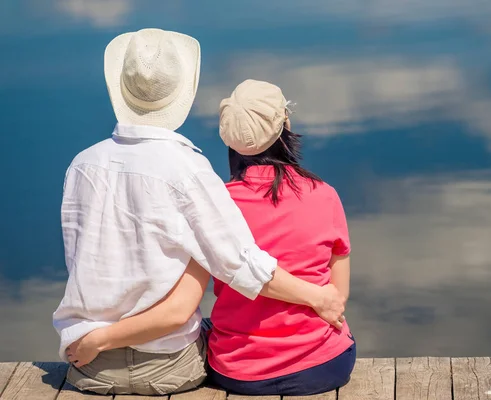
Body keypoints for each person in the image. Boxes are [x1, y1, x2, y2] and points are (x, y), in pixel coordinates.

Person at [53, 29, 346, 396]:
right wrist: (319, 297)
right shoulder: (188, 170)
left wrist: (98, 339)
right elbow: (240, 265)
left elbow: (80, 261)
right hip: (168, 369)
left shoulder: (82, 166)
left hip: (88, 363)